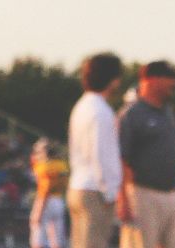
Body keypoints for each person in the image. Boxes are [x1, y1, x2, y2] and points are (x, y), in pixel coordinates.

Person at [118, 61, 175, 248]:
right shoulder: (132, 114)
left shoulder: (168, 113)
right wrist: (123, 199)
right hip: (143, 194)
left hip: (171, 193)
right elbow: (121, 159)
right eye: (170, 78)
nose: (174, 83)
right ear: (152, 80)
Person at [67, 53, 125, 248]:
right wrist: (110, 192)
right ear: (112, 80)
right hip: (95, 190)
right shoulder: (101, 111)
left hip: (78, 185)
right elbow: (102, 155)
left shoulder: (81, 106)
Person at [31, 140, 71, 248]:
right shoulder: (62, 165)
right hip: (59, 200)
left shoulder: (43, 167)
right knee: (57, 237)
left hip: (45, 200)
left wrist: (39, 208)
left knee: (38, 233)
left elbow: (46, 188)